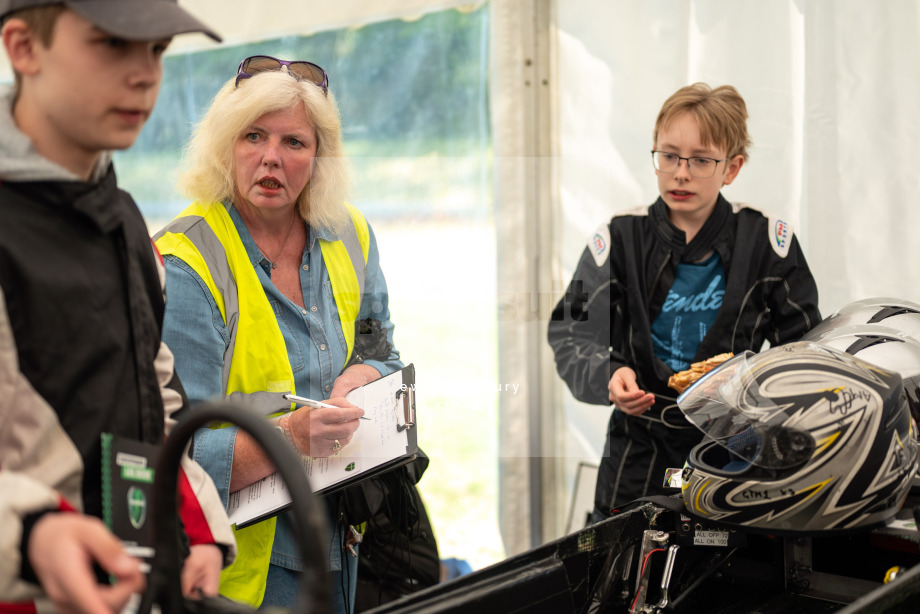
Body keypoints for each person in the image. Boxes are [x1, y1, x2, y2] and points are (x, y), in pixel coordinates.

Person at [0, 1, 236, 612]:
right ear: (23, 48)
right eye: (112, 44)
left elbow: (149, 393)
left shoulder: (123, 216)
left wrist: (196, 526)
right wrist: (31, 535)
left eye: (156, 50)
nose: (144, 74)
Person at [153, 56, 403, 612]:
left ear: (319, 158)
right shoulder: (190, 262)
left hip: (341, 546)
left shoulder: (350, 234)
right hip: (240, 575)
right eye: (253, 136)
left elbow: (379, 346)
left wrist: (360, 376)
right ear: (224, 146)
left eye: (295, 143)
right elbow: (173, 450)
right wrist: (289, 438)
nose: (272, 157)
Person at [547, 83, 822, 524]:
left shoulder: (769, 244)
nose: (680, 173)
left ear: (732, 168)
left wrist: (754, 400)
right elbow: (568, 328)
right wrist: (608, 375)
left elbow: (805, 352)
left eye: (701, 160)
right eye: (669, 155)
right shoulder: (617, 239)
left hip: (735, 452)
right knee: (617, 574)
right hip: (638, 453)